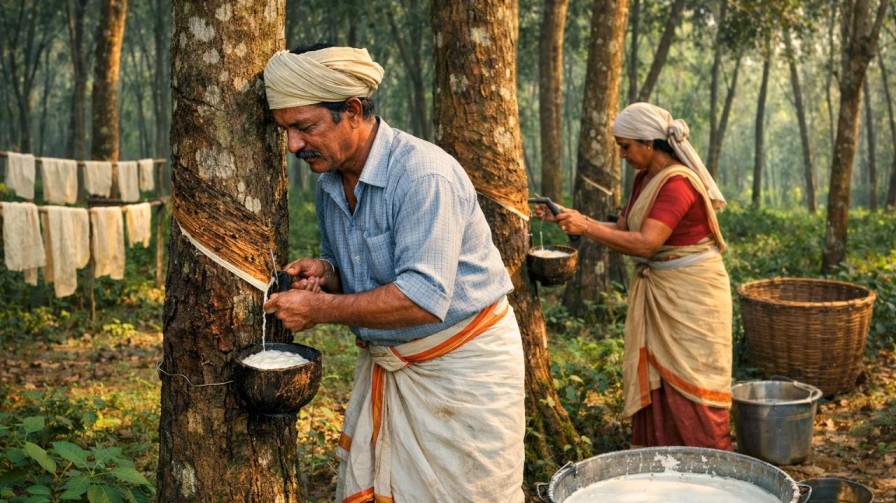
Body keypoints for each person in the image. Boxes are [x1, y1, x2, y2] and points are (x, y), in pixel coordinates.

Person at [261, 44, 525, 503]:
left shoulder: (423, 176)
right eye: (286, 131)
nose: (294, 146)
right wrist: (327, 274)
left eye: (305, 127)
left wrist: (321, 309)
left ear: (353, 111)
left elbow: (422, 296)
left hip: (462, 371)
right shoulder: (329, 184)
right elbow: (362, 271)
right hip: (395, 363)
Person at [535, 102, 733, 451]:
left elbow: (645, 244)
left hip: (692, 295)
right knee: (660, 385)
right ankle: (661, 461)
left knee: (695, 384)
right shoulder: (645, 179)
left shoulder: (678, 185)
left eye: (626, 147)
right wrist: (570, 217)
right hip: (662, 289)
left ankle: (709, 465)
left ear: (649, 143)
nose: (623, 155)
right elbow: (624, 228)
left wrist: (587, 227)